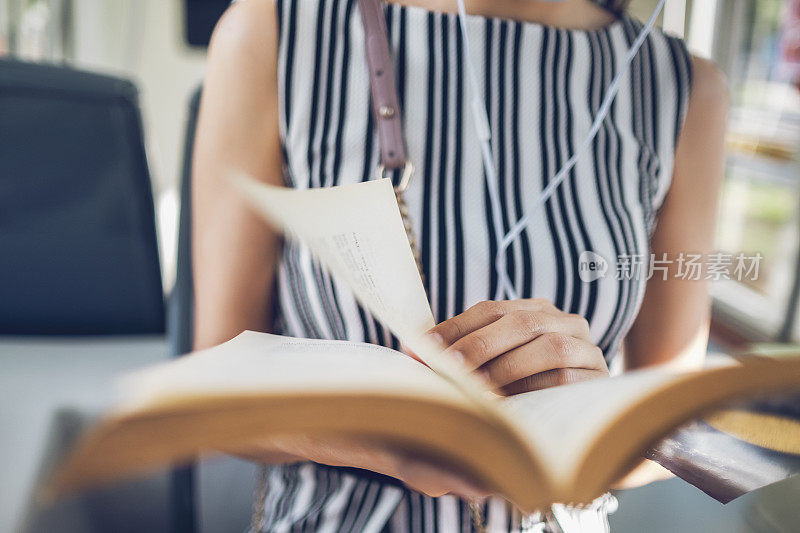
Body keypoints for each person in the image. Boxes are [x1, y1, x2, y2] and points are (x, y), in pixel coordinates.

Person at [192, 0, 728, 529]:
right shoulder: (279, 30)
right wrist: (372, 437)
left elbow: (675, 428)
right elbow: (210, 394)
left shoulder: (682, 89)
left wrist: (593, 425)